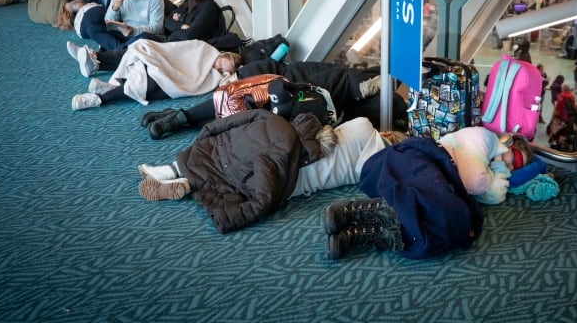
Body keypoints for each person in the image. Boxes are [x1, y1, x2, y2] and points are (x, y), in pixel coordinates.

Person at [134, 110, 406, 234]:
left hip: (279, 142)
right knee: (240, 183)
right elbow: (263, 201)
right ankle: (189, 183)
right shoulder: (371, 165)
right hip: (293, 180)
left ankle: (175, 172)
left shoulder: (362, 125)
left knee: (229, 152)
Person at [321, 128, 534, 260]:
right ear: (508, 142)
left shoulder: (488, 160)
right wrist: (499, 169)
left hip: (432, 175)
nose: (510, 165)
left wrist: (499, 167)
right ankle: (354, 212)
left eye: (516, 167)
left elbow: (485, 191)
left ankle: (362, 231)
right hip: (422, 157)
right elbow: (476, 181)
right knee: (452, 213)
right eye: (513, 156)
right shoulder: (485, 138)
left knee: (453, 225)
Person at [140, 59, 398, 139]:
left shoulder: (350, 90)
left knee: (241, 116)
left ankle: (178, 116)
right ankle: (179, 117)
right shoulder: (343, 78)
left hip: (292, 99)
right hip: (285, 84)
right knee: (238, 102)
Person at [70, 38, 241, 111]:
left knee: (147, 90)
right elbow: (178, 50)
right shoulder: (204, 49)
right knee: (144, 84)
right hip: (165, 65)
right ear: (224, 55)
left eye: (225, 70)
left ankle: (110, 89)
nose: (221, 69)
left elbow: (198, 82)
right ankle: (99, 99)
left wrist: (225, 75)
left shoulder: (216, 76)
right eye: (224, 64)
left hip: (176, 82)